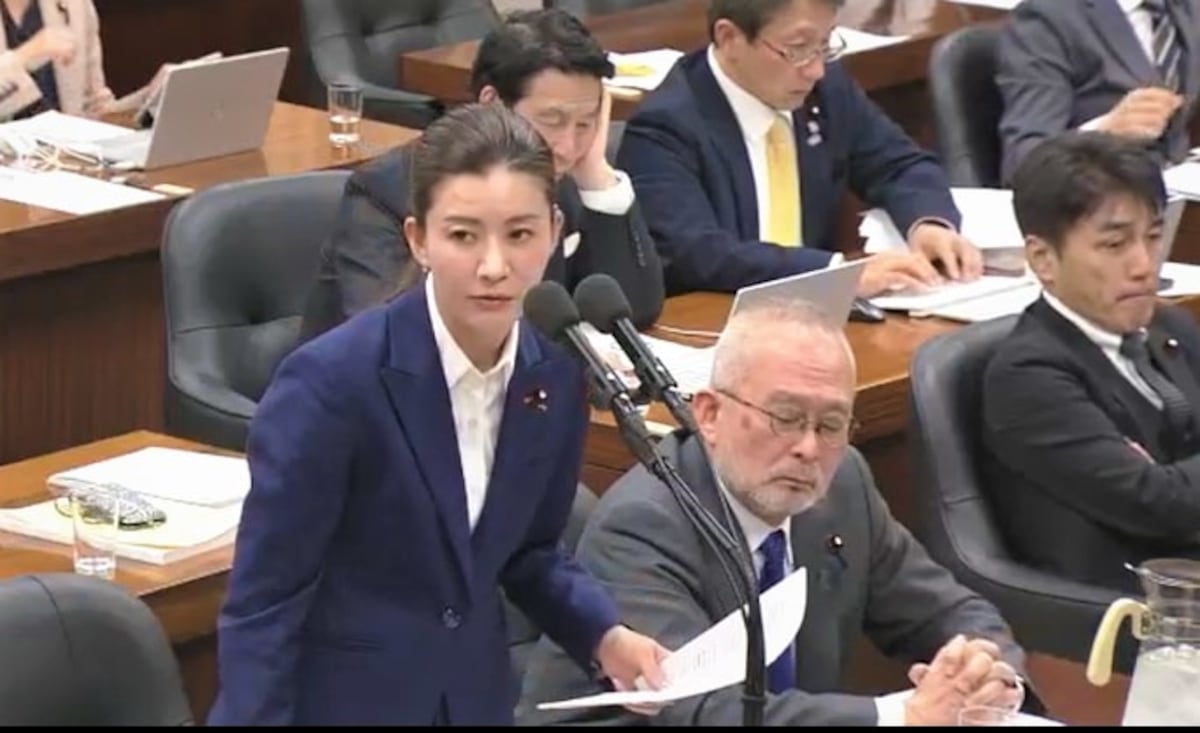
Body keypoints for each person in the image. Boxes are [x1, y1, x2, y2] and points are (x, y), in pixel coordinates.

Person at [208, 103, 668, 726]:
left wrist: (603, 634)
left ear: (554, 230)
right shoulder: (333, 383)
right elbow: (267, 602)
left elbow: (529, 552)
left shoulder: (556, 372)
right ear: (418, 239)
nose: (494, 266)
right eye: (463, 236)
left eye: (520, 235)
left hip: (474, 703)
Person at [520, 298, 1033, 726]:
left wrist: (989, 674)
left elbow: (947, 609)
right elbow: (706, 712)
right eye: (785, 418)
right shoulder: (643, 523)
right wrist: (901, 716)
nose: (809, 448)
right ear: (709, 414)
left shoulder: (843, 485)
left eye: (830, 425)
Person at [299, 8, 664, 342]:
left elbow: (632, 312)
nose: (568, 146)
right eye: (552, 120)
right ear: (492, 103)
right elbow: (389, 340)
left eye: (585, 124)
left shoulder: (561, 177)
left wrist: (597, 177)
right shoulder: (385, 194)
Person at [614, 0, 983, 298]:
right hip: (718, 324)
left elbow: (898, 164)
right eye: (798, 49)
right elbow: (697, 253)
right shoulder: (666, 125)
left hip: (818, 319)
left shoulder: (827, 89)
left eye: (825, 44)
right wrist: (836, 274)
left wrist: (928, 223)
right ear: (729, 38)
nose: (815, 69)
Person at [982, 132, 1200, 594]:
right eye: (1115, 245)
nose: (1144, 265)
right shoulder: (1029, 377)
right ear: (1043, 258)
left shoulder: (1171, 328)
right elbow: (1157, 503)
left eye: (1153, 237)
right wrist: (1171, 484)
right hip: (1137, 603)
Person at [996, 0, 1200, 182]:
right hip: (1101, 193)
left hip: (1178, 188)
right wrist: (1104, 132)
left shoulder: (1187, 8)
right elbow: (1023, 162)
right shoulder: (1047, 17)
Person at [0, 0, 113, 120]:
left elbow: (94, 98)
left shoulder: (75, 5)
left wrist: (110, 112)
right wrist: (23, 56)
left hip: (69, 129)